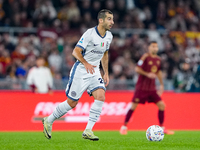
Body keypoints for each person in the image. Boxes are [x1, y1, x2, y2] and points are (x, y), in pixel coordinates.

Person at [42, 9, 114, 141]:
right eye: (109, 19)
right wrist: (86, 63)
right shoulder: (90, 34)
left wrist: (106, 73)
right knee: (72, 103)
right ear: (101, 20)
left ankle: (88, 130)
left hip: (95, 71)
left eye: (112, 19)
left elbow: (105, 54)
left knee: (101, 96)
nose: (112, 22)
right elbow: (75, 52)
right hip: (81, 70)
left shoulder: (109, 36)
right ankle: (49, 120)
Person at [120, 41, 174, 135]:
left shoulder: (158, 59)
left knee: (162, 105)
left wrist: (161, 85)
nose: (155, 48)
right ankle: (124, 127)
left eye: (156, 47)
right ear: (149, 48)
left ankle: (162, 128)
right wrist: (147, 74)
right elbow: (137, 69)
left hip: (152, 89)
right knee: (133, 106)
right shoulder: (145, 57)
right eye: (153, 46)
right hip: (141, 88)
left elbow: (158, 72)